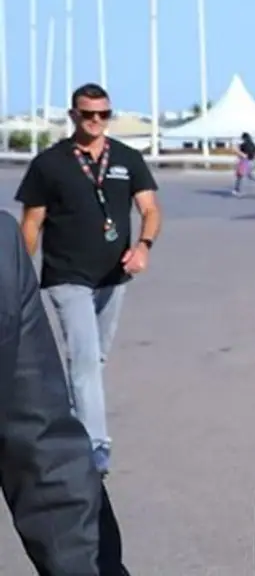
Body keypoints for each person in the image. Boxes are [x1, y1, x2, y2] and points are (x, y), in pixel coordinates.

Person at [16, 82, 162, 477]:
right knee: (83, 359)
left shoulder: (128, 158)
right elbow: (32, 224)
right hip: (66, 275)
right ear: (73, 115)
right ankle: (95, 444)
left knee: (94, 358)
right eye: (87, 114)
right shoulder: (50, 164)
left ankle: (66, 419)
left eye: (103, 114)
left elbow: (150, 209)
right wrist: (19, 272)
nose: (96, 121)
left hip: (114, 275)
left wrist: (144, 246)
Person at [0, 208, 134, 575]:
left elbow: (42, 445)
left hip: (106, 278)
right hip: (66, 279)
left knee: (88, 362)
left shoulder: (1, 246)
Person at [233, 131, 255, 196]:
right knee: (250, 175)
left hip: (245, 162)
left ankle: (238, 190)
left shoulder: (243, 145)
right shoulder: (253, 144)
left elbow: (241, 154)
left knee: (240, 175)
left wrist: (238, 153)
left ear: (244, 138)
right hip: (252, 161)